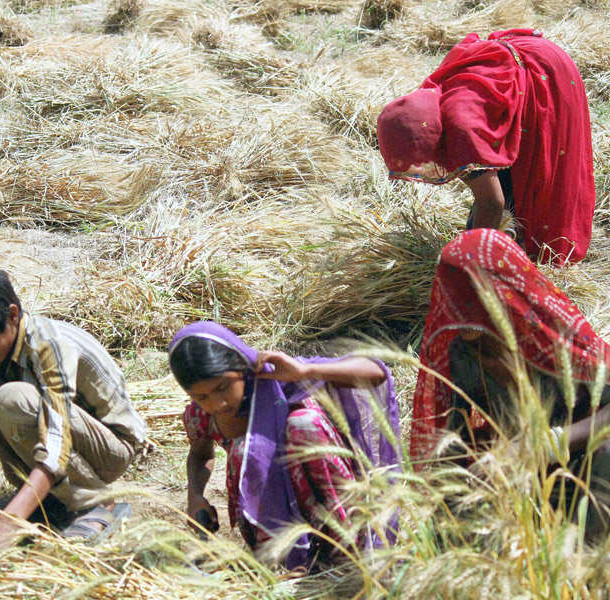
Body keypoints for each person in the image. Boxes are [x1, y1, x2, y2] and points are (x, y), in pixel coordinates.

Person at [411, 229, 610, 534]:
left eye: (471, 298)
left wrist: (548, 443)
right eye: (453, 297)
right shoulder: (463, 355)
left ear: (503, 291)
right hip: (523, 473)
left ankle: (590, 564)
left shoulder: (553, 334)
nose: (459, 310)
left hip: (583, 461)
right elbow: (453, 434)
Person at [0, 260, 147, 550]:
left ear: (13, 315)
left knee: (15, 401)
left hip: (109, 449)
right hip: (58, 443)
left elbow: (57, 436)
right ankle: (50, 499)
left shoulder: (49, 344)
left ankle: (95, 502)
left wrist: (7, 524)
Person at [169, 321, 401, 569]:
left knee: (302, 424)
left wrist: (305, 371)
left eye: (223, 387)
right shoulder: (201, 416)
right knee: (244, 451)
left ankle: (347, 550)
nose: (218, 404)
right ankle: (286, 563)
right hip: (271, 517)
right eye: (201, 396)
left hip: (329, 500)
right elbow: (199, 454)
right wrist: (195, 496)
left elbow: (375, 372)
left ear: (240, 366)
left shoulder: (277, 378)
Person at [377, 29, 594, 266]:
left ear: (424, 141)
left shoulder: (462, 133)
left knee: (538, 168)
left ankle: (537, 248)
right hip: (527, 59)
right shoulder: (430, 107)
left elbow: (492, 203)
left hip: (546, 73)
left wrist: (469, 265)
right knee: (504, 183)